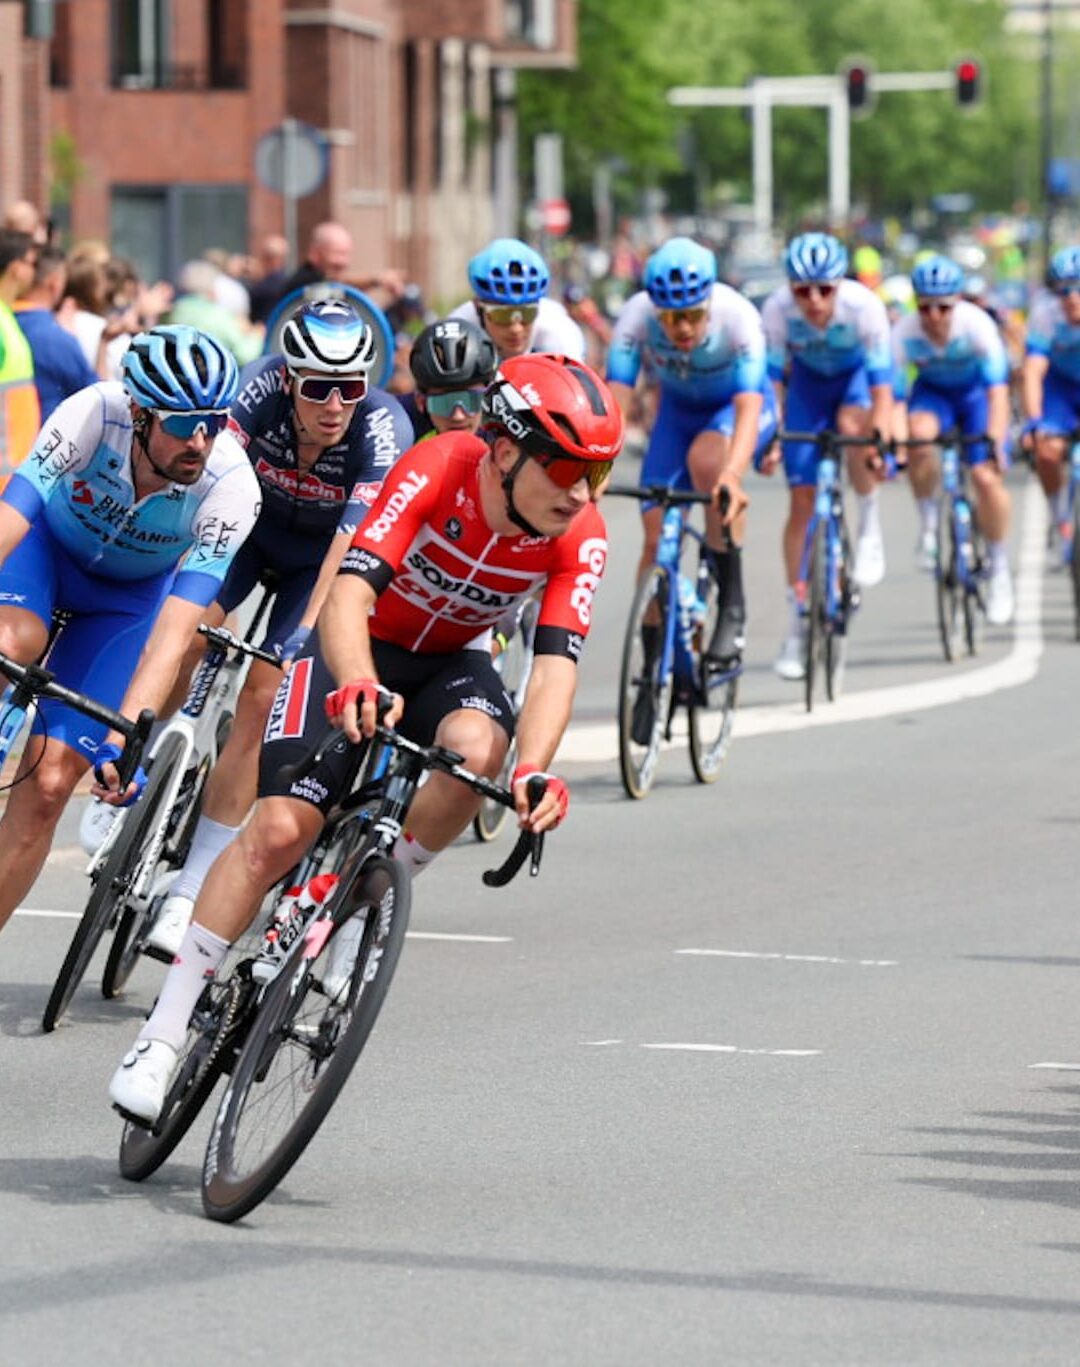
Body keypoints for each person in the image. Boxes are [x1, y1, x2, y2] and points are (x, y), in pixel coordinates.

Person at [109, 352, 624, 1121]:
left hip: (451, 663)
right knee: (280, 828)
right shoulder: (435, 465)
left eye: (600, 471)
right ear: (506, 449)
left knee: (482, 753)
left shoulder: (580, 535)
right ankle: (163, 1031)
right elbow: (349, 591)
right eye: (567, 466)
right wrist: (353, 678)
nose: (582, 491)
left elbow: (553, 668)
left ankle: (364, 896)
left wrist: (536, 770)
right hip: (358, 646)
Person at [108, 300, 415, 957]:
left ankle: (189, 891)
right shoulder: (255, 388)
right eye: (318, 387)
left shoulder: (383, 428)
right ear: (287, 378)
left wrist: (303, 635)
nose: (336, 404)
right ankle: (138, 758)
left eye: (351, 387)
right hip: (248, 535)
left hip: (318, 564)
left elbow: (349, 547)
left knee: (261, 698)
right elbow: (204, 485)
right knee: (183, 636)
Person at [0, 326, 261, 939]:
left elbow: (171, 636)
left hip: (126, 602)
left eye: (214, 421)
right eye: (183, 423)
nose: (200, 439)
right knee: (15, 642)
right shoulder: (92, 411)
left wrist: (129, 736)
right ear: (140, 412)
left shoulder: (231, 486)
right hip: (44, 556)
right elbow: (13, 516)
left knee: (52, 784)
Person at [606, 236, 778, 672]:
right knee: (653, 534)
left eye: (691, 316)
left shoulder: (738, 317)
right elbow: (616, 400)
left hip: (733, 410)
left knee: (709, 466)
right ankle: (650, 664)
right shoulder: (636, 317)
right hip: (677, 415)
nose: (681, 328)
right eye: (670, 318)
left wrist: (733, 475)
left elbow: (749, 405)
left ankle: (732, 604)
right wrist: (597, 465)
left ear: (708, 303)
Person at [761, 232, 893, 681]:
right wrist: (771, 433)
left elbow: (881, 386)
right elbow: (772, 383)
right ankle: (797, 621)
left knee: (858, 431)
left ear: (840, 285)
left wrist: (882, 436)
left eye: (824, 289)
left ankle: (869, 520)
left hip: (854, 384)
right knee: (801, 501)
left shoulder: (864, 308)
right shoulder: (777, 310)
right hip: (808, 392)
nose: (813, 300)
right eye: (802, 290)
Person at [892, 255, 1013, 621]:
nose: (934, 316)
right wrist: (899, 445)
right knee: (919, 437)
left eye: (943, 307)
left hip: (976, 398)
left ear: (957, 302)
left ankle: (999, 565)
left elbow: (997, 393)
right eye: (925, 307)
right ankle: (928, 523)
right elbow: (896, 398)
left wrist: (994, 439)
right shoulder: (904, 333)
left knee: (985, 478)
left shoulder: (976, 326)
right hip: (933, 396)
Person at [1024, 246, 1080, 550]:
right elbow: (1033, 371)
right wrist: (1034, 423)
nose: (1071, 297)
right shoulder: (1045, 314)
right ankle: (1059, 514)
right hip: (1059, 388)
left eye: (1078, 289)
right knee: (1047, 452)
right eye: (1064, 290)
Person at [450, 239, 585, 362]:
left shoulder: (560, 333)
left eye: (527, 313)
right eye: (502, 315)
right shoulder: (458, 330)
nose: (516, 329)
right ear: (478, 307)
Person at [13, 246, 97, 419]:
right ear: (54, 282)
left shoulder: (8, 323)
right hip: (47, 441)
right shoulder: (57, 338)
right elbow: (96, 396)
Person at [406, 317, 497, 440]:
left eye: (471, 401)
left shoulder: (509, 440)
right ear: (421, 403)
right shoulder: (399, 432)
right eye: (443, 404)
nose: (458, 416)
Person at [0, 230, 42, 480]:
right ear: (16, 268)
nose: (35, 272)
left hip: (12, 480)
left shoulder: (7, 317)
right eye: (31, 263)